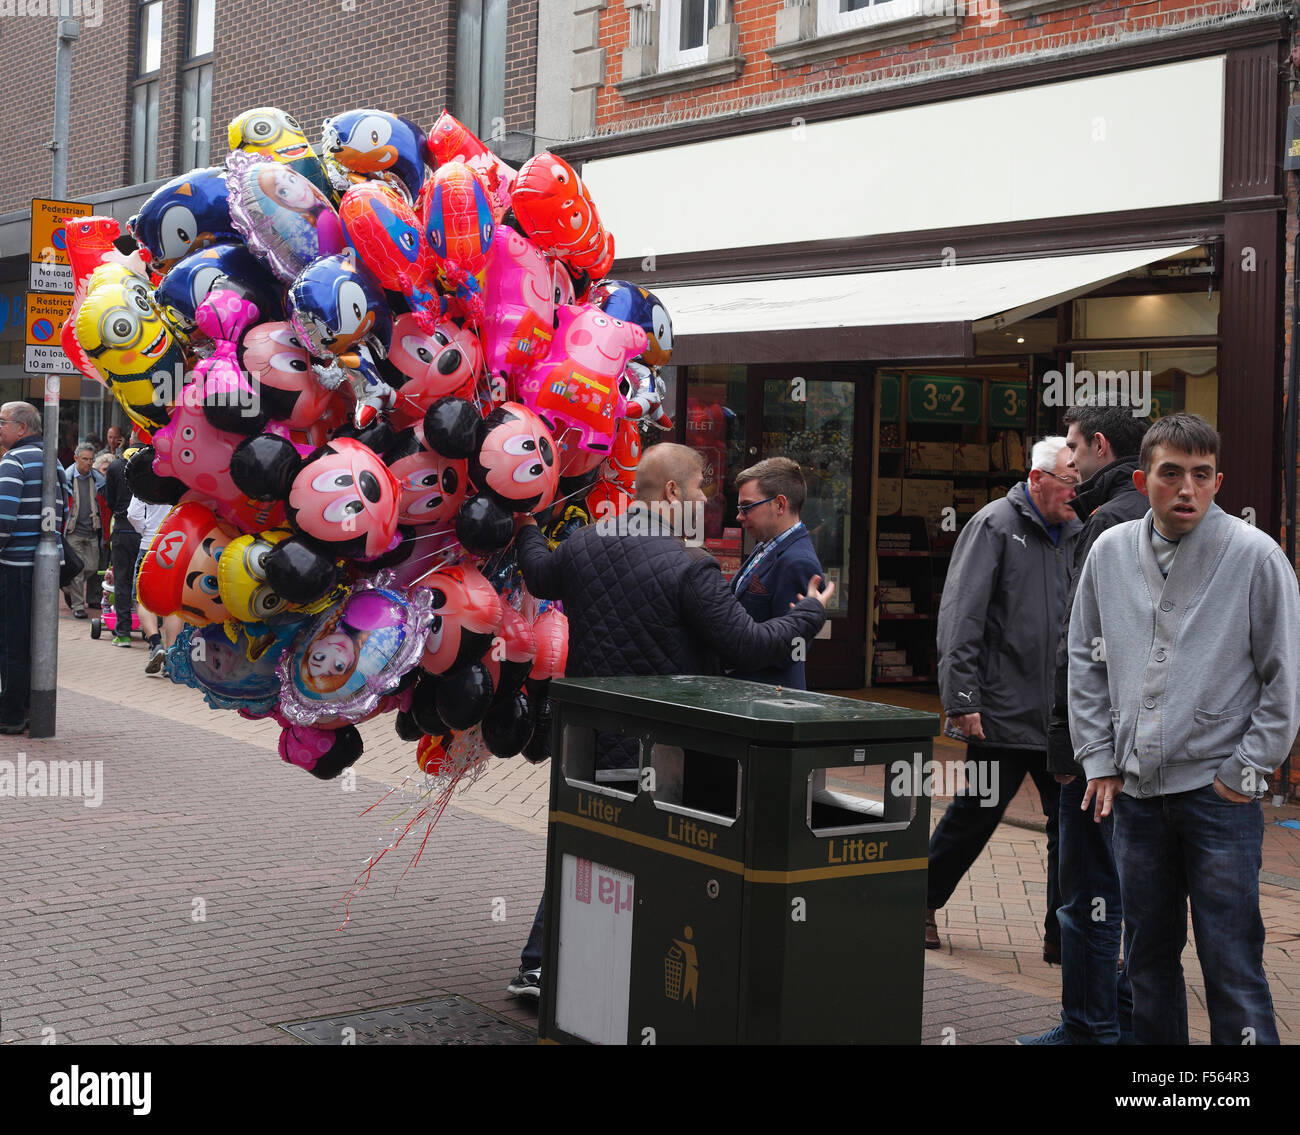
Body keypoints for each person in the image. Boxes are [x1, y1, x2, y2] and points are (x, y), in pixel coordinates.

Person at [505, 442, 834, 998]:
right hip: (662, 747)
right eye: (702, 489)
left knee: (586, 840)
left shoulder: (586, 543)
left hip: (586, 734)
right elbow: (749, 644)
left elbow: (538, 574)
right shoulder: (690, 565)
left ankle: (542, 964)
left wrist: (528, 522)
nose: (708, 501)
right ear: (674, 493)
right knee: (656, 853)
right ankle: (619, 970)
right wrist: (808, 613)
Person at [1069, 413, 1300, 1045]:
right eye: (1171, 474)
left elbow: (1285, 682)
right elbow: (1085, 662)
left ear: (1218, 479)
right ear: (1144, 480)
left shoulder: (1256, 557)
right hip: (1137, 798)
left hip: (1218, 798)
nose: (1187, 490)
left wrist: (1241, 777)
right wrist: (1099, 759)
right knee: (1146, 963)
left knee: (1231, 962)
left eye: (1201, 476)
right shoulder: (1109, 553)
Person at [1016, 404, 1149, 1046]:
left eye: (1071, 447)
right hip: (1146, 746)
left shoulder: (1105, 523)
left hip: (1098, 749)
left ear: (1099, 446)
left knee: (1088, 897)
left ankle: (1089, 1028)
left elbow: (1080, 646)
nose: (1066, 460)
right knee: (1124, 898)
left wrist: (1067, 748)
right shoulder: (1153, 515)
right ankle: (1116, 1023)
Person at [926, 436, 1080, 958]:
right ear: (1037, 479)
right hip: (1001, 711)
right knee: (977, 811)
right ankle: (918, 903)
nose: (1075, 492)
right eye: (1068, 481)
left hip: (1060, 716)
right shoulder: (994, 525)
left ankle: (1063, 938)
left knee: (1070, 827)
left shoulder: (1079, 533)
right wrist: (963, 699)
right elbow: (961, 615)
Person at [728, 456, 824, 688]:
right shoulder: (768, 545)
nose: (739, 516)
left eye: (747, 507)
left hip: (768, 696)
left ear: (780, 505)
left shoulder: (797, 561)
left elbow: (793, 648)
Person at [0, 402, 54, 735]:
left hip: (16, 566)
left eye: (2, 421)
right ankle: (32, 707)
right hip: (44, 568)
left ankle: (11, 713)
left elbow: (3, 520)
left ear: (22, 427)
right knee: (36, 640)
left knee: (12, 642)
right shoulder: (53, 462)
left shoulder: (14, 460)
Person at [128, 493, 181, 673]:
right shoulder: (180, 479)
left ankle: (155, 644)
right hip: (177, 545)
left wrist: (147, 531)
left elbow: (133, 513)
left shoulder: (145, 479)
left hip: (150, 544)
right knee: (173, 604)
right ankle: (170, 656)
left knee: (143, 599)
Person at [102, 446, 142, 648]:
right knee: (145, 583)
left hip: (123, 529)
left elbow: (109, 500)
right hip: (148, 533)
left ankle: (123, 633)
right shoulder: (154, 465)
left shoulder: (116, 466)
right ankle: (151, 631)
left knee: (122, 581)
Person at [62, 443, 103, 619]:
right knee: (77, 571)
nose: (88, 463)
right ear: (76, 458)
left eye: (91, 460)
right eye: (84, 459)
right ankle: (78, 606)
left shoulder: (99, 479)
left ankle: (67, 587)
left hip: (92, 530)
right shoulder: (66, 478)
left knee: (92, 567)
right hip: (73, 531)